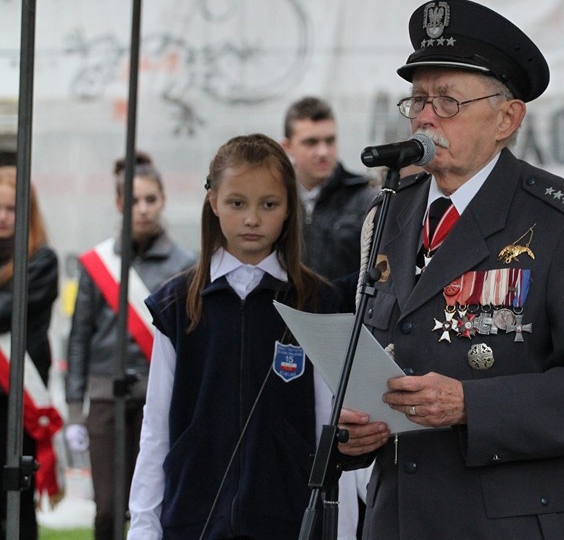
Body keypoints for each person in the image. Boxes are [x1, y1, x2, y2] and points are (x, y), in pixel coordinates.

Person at [336, 0, 564, 539]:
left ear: (507, 118)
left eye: (447, 101)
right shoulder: (391, 211)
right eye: (419, 99)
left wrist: (471, 404)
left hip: (510, 523)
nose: (426, 116)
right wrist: (357, 431)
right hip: (401, 518)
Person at [128, 134, 360, 539]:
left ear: (288, 208)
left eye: (268, 204)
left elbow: (332, 428)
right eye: (237, 203)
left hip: (289, 519)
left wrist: (340, 531)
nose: (252, 218)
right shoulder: (177, 305)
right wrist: (144, 526)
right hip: (194, 517)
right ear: (214, 202)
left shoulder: (319, 302)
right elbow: (157, 426)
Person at [64, 152, 195, 540]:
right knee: (107, 510)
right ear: (119, 204)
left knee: (157, 504)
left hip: (162, 398)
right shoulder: (95, 264)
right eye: (134, 201)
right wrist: (74, 410)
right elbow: (79, 338)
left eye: (150, 199)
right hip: (105, 401)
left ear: (163, 200)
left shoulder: (186, 264)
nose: (143, 209)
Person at [0, 166, 60, 540]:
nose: (3, 217)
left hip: (18, 397)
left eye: (12, 208)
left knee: (18, 497)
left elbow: (8, 313)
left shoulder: (43, 260)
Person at [281, 96, 377, 280]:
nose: (323, 152)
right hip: (285, 307)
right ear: (287, 147)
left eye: (330, 141)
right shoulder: (275, 199)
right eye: (311, 142)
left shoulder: (366, 199)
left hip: (346, 308)